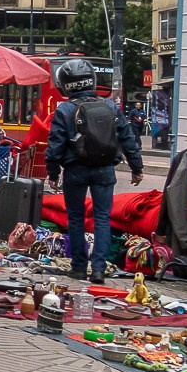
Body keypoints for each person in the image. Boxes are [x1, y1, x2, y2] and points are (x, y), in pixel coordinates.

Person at [46, 58, 144, 284]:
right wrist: (136, 167)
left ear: (65, 84)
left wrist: (52, 173)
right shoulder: (110, 107)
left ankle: (79, 267)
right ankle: (99, 269)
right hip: (104, 169)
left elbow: (55, 145)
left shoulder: (66, 110)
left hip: (75, 170)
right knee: (102, 218)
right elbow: (127, 138)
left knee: (76, 218)